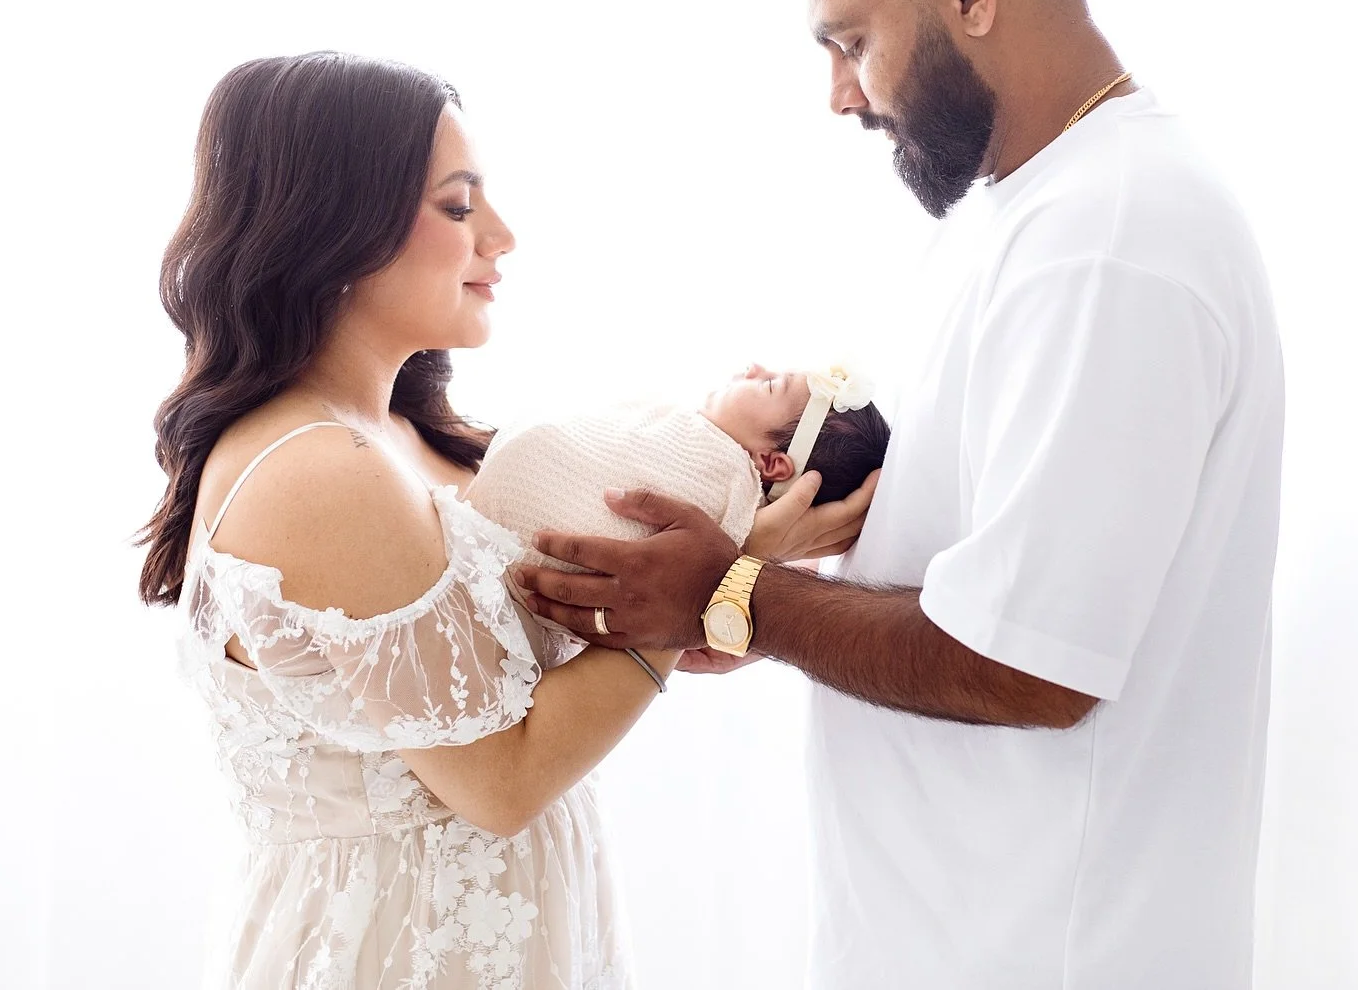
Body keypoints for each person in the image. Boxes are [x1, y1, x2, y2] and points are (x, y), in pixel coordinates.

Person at [516, 0, 1285, 989]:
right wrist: (772, 549)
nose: (840, 94)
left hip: (1047, 952)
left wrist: (735, 595)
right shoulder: (1025, 212)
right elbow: (989, 549)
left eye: (850, 40)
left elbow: (1029, 660)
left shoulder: (1109, 239)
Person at [135, 53, 873, 990]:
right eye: (457, 207)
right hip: (397, 951)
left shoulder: (414, 439)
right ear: (332, 229)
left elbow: (539, 669)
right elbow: (501, 780)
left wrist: (718, 605)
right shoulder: (321, 470)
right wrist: (717, 588)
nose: (503, 236)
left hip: (507, 929)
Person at [469, 366, 889, 663]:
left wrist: (742, 560)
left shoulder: (730, 489)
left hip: (498, 570)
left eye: (769, 385)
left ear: (771, 462)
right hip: (487, 556)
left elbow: (705, 576)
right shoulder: (677, 430)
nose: (753, 368)